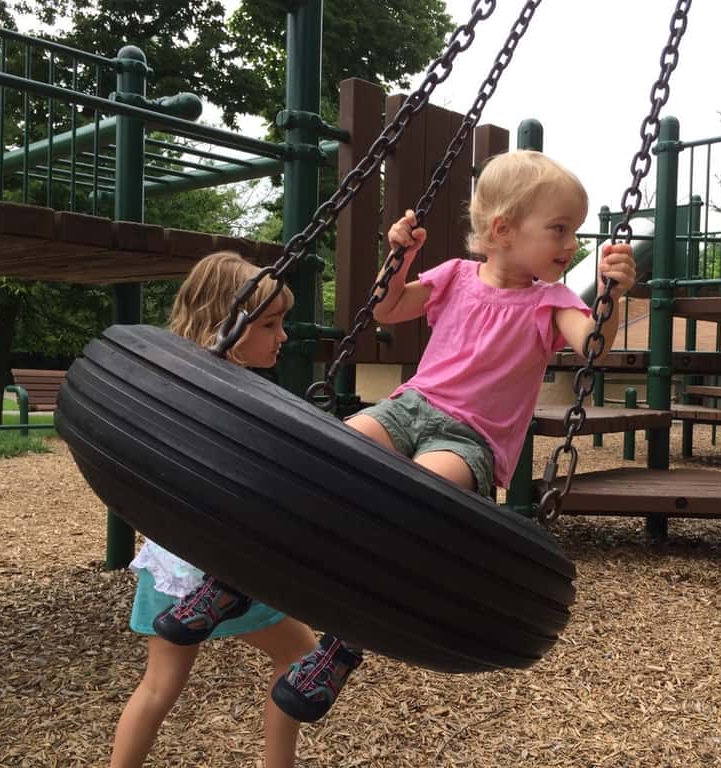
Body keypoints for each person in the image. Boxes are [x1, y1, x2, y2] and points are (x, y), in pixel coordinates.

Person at [157, 149, 638, 724]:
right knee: (323, 457)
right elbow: (387, 309)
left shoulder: (553, 301)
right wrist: (400, 256)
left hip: (471, 440)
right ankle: (233, 579)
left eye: (576, 231)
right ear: (505, 229)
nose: (572, 244)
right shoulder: (456, 276)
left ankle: (340, 646)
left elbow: (592, 347)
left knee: (415, 508)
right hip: (410, 407)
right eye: (560, 229)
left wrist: (611, 299)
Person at [110, 252, 317, 768]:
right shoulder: (226, 391)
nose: (283, 336)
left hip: (167, 561)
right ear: (224, 323)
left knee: (158, 686)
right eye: (271, 324)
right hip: (215, 571)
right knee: (301, 654)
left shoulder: (176, 380)